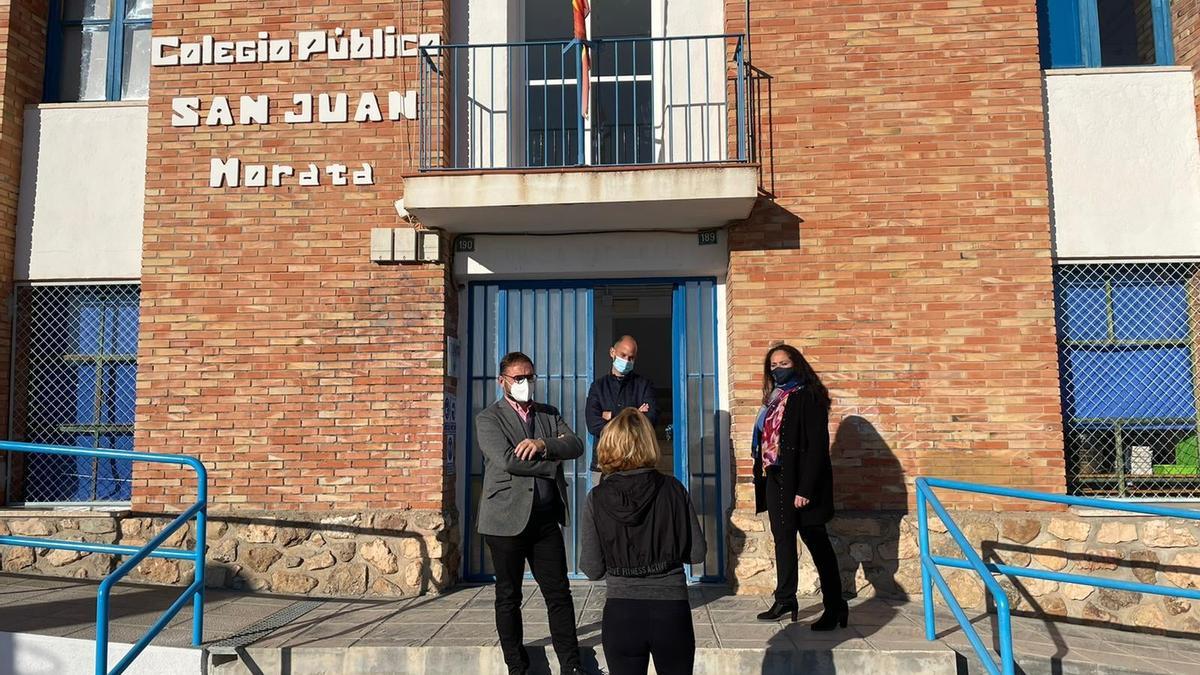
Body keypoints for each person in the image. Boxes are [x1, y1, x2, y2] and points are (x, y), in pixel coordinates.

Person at [474, 351, 587, 675]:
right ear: (503, 382)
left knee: (559, 593)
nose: (525, 383)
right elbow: (508, 460)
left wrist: (543, 444)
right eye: (518, 378)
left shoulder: (548, 414)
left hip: (545, 520)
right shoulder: (489, 419)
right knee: (508, 596)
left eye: (530, 377)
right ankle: (517, 666)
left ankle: (571, 665)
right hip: (504, 521)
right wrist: (552, 463)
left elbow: (576, 445)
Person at [580, 408, 705, 675]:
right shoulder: (673, 489)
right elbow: (697, 553)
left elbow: (592, 568)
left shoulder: (597, 497)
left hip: (621, 610)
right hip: (671, 609)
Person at [752, 343, 847, 630]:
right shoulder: (773, 398)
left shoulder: (809, 396)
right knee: (782, 538)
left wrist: (805, 489)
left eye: (784, 363)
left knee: (816, 540)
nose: (778, 369)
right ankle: (785, 598)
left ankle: (835, 606)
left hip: (803, 481)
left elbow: (817, 446)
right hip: (776, 475)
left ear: (797, 363)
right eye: (773, 365)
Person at [585, 336, 658, 485]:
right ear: (612, 352)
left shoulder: (644, 385)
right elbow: (593, 424)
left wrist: (610, 415)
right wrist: (633, 415)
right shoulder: (598, 387)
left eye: (631, 358)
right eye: (623, 355)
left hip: (636, 464)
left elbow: (650, 420)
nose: (626, 361)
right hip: (604, 465)